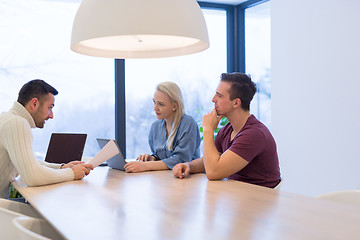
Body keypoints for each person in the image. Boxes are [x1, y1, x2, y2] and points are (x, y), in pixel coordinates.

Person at [172, 73, 281, 188]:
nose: (213, 99)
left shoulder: (254, 134)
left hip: (261, 200)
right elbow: (209, 162)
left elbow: (213, 172)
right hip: (237, 196)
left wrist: (208, 129)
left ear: (236, 103)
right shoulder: (227, 130)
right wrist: (188, 166)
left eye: (219, 96)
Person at [0, 79, 93, 199]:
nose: (51, 115)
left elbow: (26, 161)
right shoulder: (17, 123)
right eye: (50, 108)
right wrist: (72, 173)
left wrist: (61, 167)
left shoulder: (7, 118)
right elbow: (32, 176)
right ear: (34, 104)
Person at [124, 82, 201, 173]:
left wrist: (145, 166)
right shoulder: (155, 126)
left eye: (160, 104)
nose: (155, 108)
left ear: (174, 106)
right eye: (154, 102)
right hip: (164, 178)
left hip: (187, 179)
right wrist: (152, 158)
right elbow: (161, 157)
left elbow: (180, 160)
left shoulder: (188, 123)